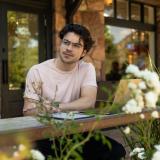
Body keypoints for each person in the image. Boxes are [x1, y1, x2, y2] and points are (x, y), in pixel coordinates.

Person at [23, 23, 126, 159]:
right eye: (66, 42)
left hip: (78, 131)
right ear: (61, 44)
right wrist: (43, 110)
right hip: (48, 133)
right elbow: (28, 111)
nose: (69, 48)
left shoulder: (86, 69)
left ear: (83, 52)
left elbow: (88, 101)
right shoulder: (38, 71)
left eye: (76, 45)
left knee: (116, 151)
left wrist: (57, 106)